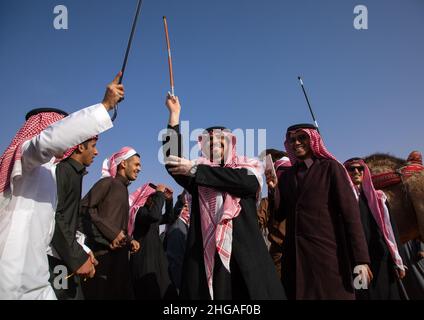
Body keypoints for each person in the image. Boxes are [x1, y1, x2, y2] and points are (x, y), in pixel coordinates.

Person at [0, 73, 123, 299]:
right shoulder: (26, 161)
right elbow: (46, 142)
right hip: (7, 276)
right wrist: (104, 106)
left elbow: (52, 231)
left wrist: (82, 253)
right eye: (57, 128)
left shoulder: (51, 174)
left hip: (37, 280)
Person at [163, 93, 286, 300]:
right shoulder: (198, 174)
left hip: (246, 258)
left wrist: (195, 170)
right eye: (209, 142)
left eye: (220, 141)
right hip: (210, 256)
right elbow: (172, 162)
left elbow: (245, 183)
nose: (214, 144)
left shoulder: (248, 167)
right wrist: (174, 115)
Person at [274, 123, 371, 300]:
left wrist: (361, 260)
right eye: (292, 139)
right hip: (296, 262)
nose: (296, 143)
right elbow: (280, 214)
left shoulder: (331, 168)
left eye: (302, 137)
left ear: (313, 140)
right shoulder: (287, 176)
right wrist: (274, 189)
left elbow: (351, 216)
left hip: (328, 258)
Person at [80, 146, 141, 299]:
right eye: (136, 164)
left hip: (118, 259)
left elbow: (115, 224)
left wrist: (129, 240)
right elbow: (83, 209)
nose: (139, 168)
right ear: (123, 164)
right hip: (101, 258)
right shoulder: (107, 183)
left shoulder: (123, 189)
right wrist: (110, 234)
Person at [344, 157, 407, 300]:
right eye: (351, 169)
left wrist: (399, 261)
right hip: (358, 263)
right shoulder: (343, 203)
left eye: (360, 168)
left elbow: (391, 230)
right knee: (362, 295)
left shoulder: (379, 199)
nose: (356, 171)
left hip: (383, 260)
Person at [48, 136, 102, 300]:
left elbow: (69, 221)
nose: (96, 151)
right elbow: (55, 216)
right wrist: (78, 258)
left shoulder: (74, 173)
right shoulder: (63, 171)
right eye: (93, 146)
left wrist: (83, 250)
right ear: (80, 147)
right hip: (55, 258)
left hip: (65, 256)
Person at [129, 183, 178, 299]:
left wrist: (169, 200)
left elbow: (169, 218)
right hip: (144, 261)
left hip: (156, 259)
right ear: (146, 198)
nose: (155, 199)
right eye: (153, 197)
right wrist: (160, 194)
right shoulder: (139, 212)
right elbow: (154, 216)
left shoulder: (150, 213)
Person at [164, 190, 191, 293]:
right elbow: (176, 261)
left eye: (189, 205)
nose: (187, 208)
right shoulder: (177, 226)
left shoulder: (187, 225)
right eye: (185, 206)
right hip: (178, 280)